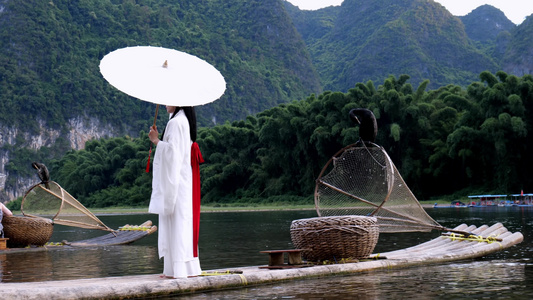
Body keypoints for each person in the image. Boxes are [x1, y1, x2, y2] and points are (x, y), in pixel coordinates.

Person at [148, 105, 202, 278]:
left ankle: (176, 270)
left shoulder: (176, 122)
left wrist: (156, 141)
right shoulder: (184, 120)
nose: (165, 104)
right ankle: (183, 269)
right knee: (182, 222)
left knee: (177, 222)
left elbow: (173, 154)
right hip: (184, 180)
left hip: (177, 182)